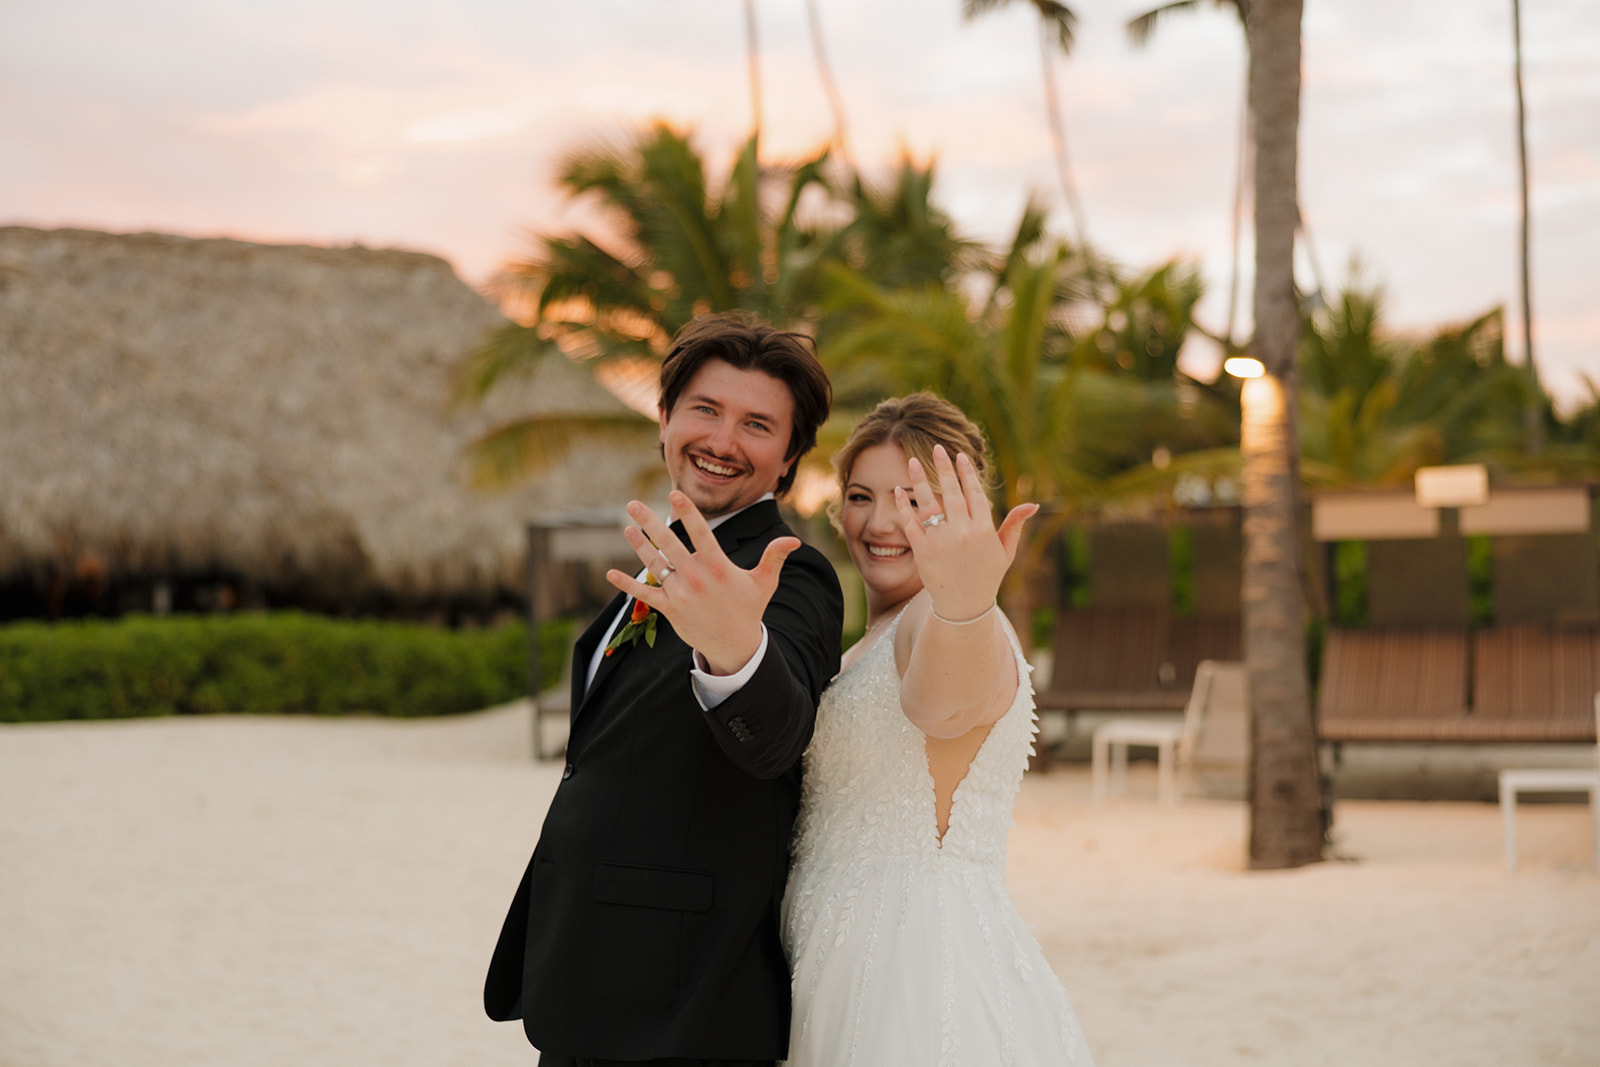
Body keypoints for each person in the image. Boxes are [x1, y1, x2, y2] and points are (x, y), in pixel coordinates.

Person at [484, 313, 845, 1066]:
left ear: (787, 461)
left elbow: (780, 734)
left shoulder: (786, 574)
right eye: (705, 409)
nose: (721, 439)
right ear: (665, 419)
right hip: (588, 974)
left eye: (757, 424)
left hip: (682, 1000)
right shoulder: (657, 558)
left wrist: (735, 649)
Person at [780, 393, 1094, 1066]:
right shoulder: (870, 639)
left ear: (961, 510)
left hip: (912, 971)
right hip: (831, 962)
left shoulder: (944, 620)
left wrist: (964, 603)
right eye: (862, 495)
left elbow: (943, 706)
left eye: (913, 497)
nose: (883, 520)